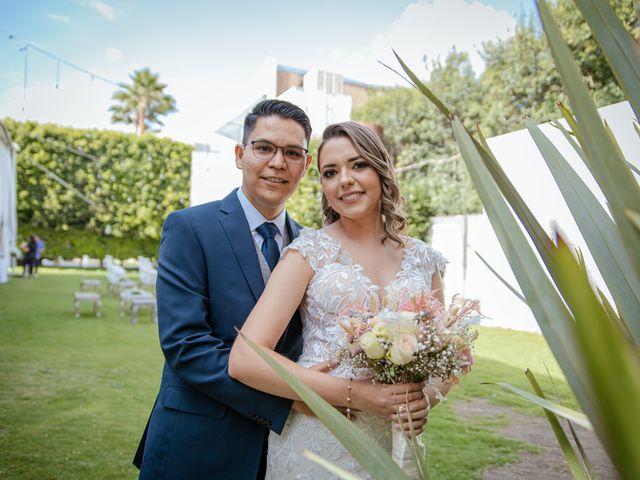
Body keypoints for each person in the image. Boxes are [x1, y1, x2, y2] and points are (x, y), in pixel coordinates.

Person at [133, 100, 426, 480]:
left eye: (291, 153)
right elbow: (185, 346)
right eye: (264, 148)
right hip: (202, 440)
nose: (277, 163)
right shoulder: (190, 228)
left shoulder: (316, 246)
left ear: (306, 167)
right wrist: (293, 395)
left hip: (297, 446)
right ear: (240, 154)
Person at [229, 121, 452, 479]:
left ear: (381, 170)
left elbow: (446, 355)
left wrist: (424, 399)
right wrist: (355, 394)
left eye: (357, 165)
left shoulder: (424, 260)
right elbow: (244, 359)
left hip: (395, 443)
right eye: (330, 172)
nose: (344, 179)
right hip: (319, 438)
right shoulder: (307, 253)